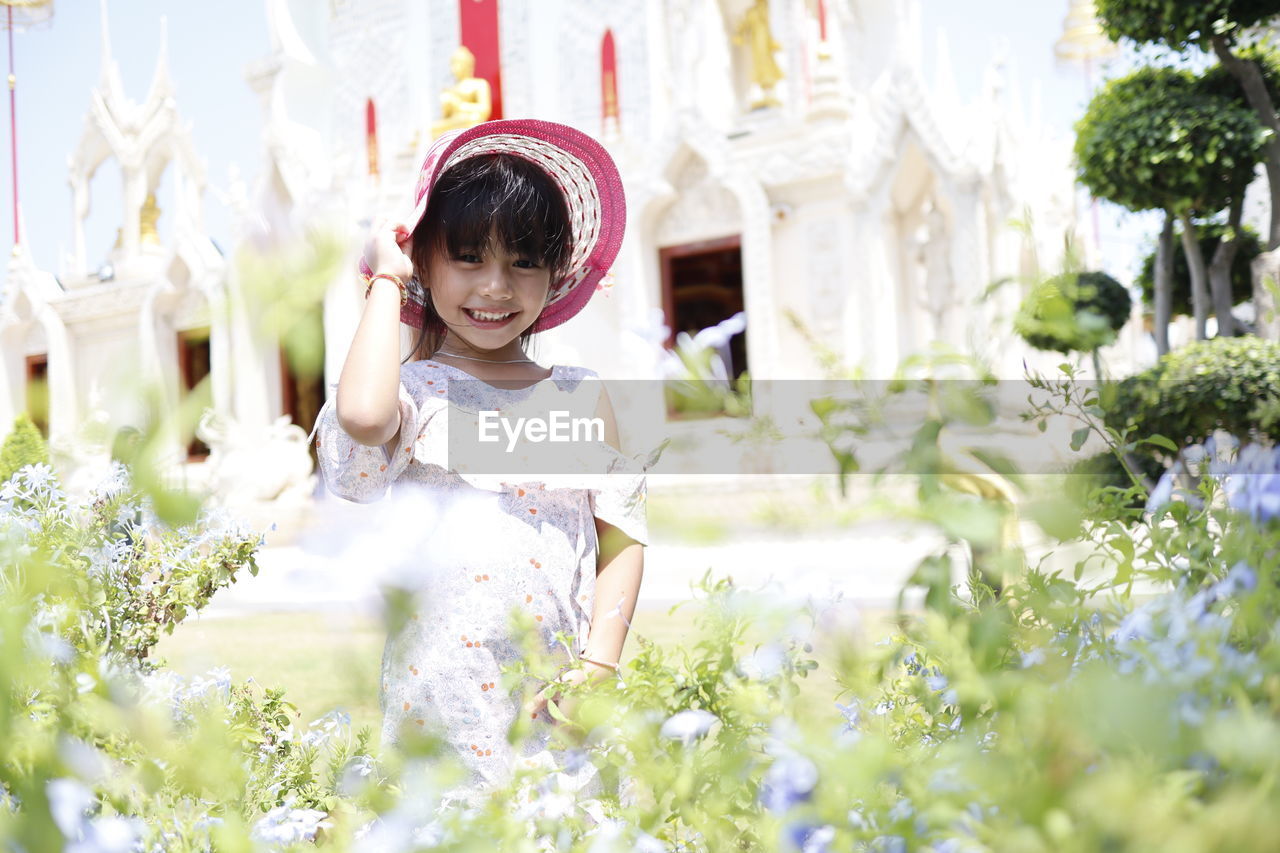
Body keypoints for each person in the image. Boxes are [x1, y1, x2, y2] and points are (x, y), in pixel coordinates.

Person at [311, 119, 646, 797]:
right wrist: (385, 278)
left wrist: (600, 665)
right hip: (438, 698)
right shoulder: (415, 394)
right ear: (425, 264)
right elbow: (364, 417)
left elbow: (623, 537)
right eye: (468, 257)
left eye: (524, 261)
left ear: (555, 276)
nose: (496, 285)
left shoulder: (581, 396)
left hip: (552, 696)